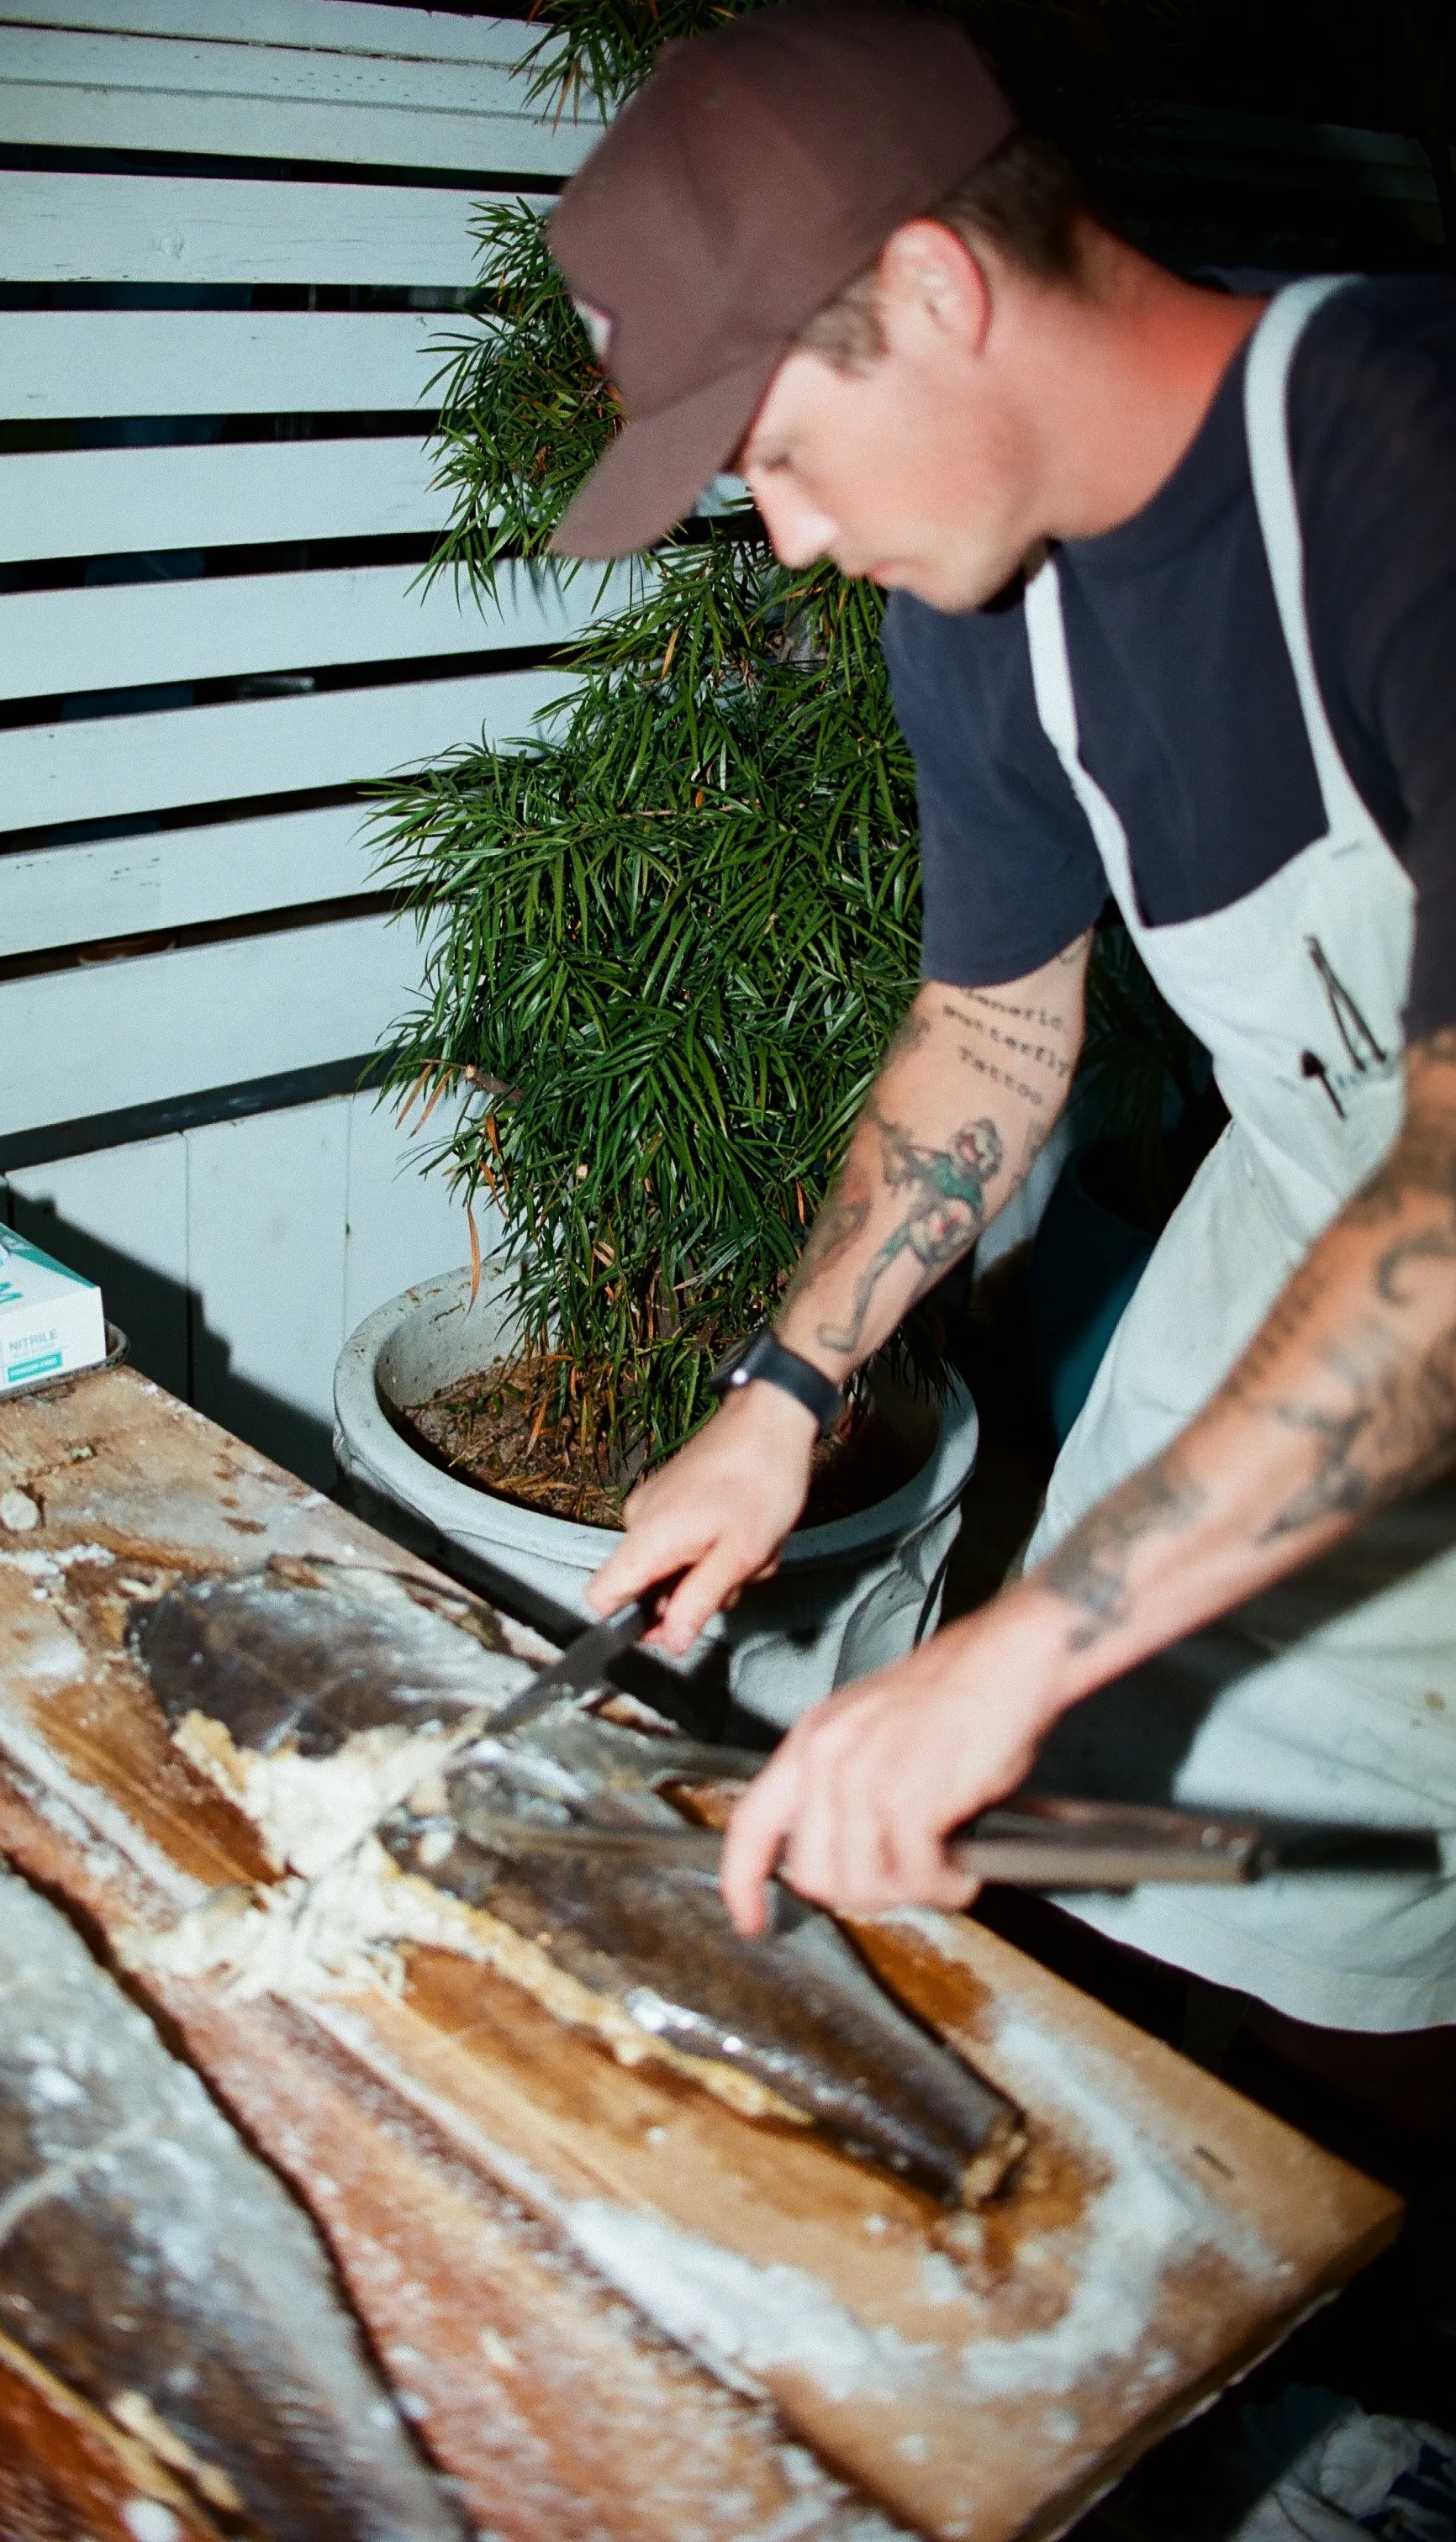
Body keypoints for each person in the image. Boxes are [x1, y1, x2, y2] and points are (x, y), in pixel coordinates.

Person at [546, 0, 1456, 2071]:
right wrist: (784, 1393)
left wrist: (1028, 1641)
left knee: (1374, 2032)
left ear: (939, 288)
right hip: (1311, 1228)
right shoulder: (977, 617)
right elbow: (987, 1030)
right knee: (1128, 1906)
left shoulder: (1410, 462)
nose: (782, 533)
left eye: (778, 453)